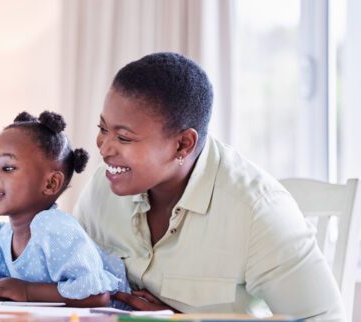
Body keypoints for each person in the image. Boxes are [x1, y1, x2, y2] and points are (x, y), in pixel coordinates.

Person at [72, 52, 344, 321]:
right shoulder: (102, 188)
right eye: (103, 128)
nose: (104, 148)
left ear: (182, 144)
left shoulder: (256, 211)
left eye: (123, 137)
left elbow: (325, 319)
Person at [0, 111, 130, 307]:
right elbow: (14, 293)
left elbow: (97, 296)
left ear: (50, 184)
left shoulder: (56, 229)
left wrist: (26, 291)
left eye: (8, 168)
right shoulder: (1, 238)